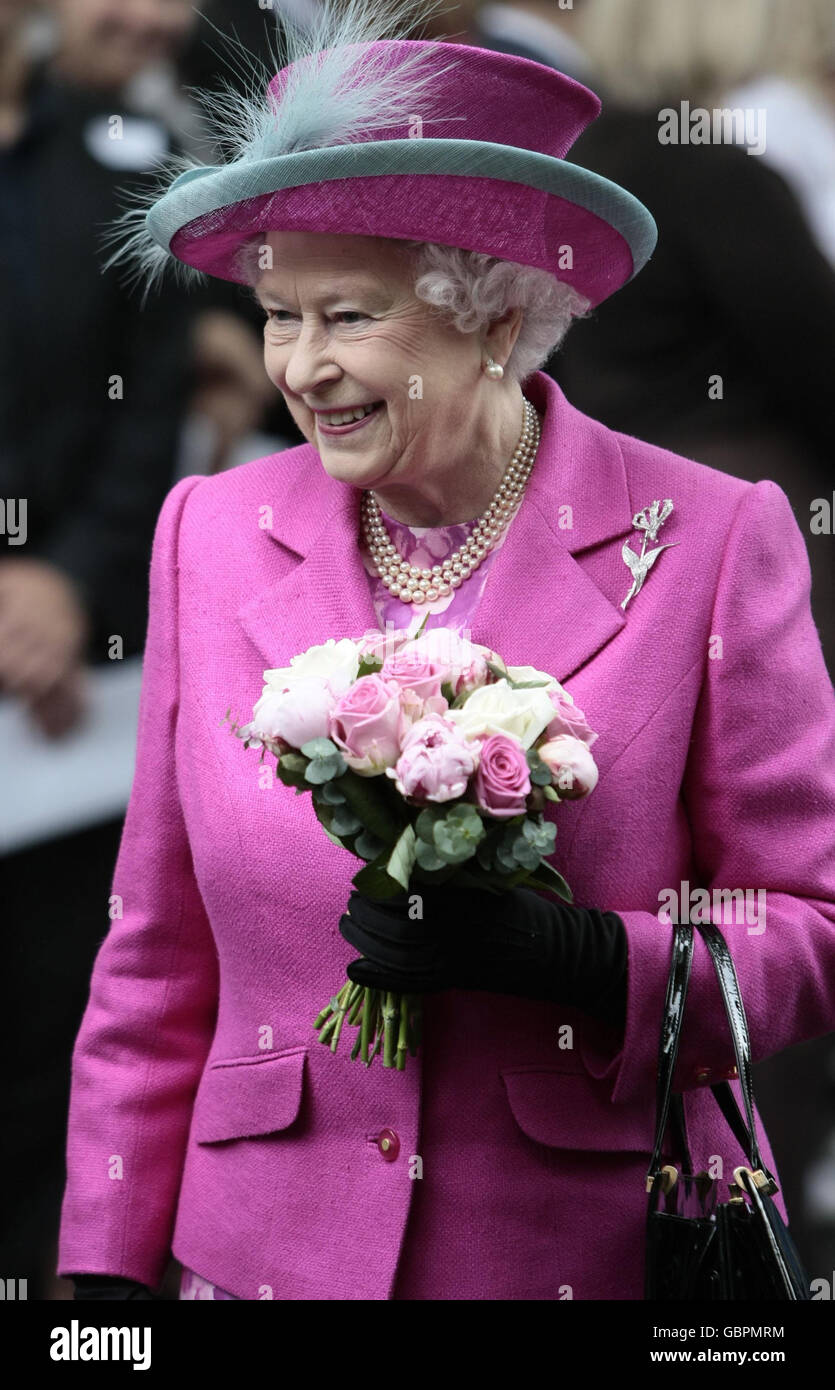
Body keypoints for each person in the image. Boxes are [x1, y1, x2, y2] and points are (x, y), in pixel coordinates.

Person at [57, 2, 835, 1301]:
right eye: (278, 313)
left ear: (487, 318)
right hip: (255, 1261)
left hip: (568, 1259)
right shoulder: (210, 530)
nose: (299, 368)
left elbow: (811, 927)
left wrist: (589, 959)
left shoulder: (705, 540)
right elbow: (153, 951)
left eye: (348, 316)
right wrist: (103, 1293)